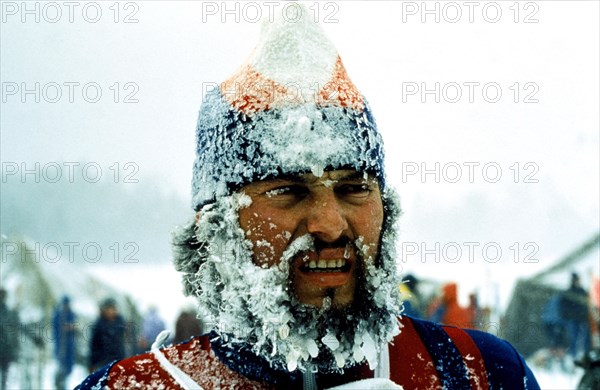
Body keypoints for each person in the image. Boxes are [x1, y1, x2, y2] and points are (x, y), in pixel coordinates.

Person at [77, 5, 539, 389]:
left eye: (354, 188)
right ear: (216, 228)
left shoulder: (479, 372)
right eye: (288, 191)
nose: (331, 223)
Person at [88, 298, 126, 373]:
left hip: (118, 360)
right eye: (109, 309)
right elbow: (94, 345)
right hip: (102, 361)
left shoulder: (120, 322)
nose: (111, 311)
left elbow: (122, 342)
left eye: (113, 308)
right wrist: (92, 364)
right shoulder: (99, 324)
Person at [560, 272, 592, 360]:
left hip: (582, 319)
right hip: (573, 320)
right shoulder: (569, 292)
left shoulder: (582, 292)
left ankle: (586, 357)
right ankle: (574, 358)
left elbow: (587, 305)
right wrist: (569, 316)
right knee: (574, 339)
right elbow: (563, 307)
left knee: (585, 339)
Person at [52, 295, 77, 389]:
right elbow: (56, 329)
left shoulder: (71, 314)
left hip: (69, 347)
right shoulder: (58, 314)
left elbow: (75, 326)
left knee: (67, 370)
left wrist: (71, 328)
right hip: (60, 347)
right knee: (61, 369)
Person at [0, 288, 20, 390]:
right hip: (6, 352)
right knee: (3, 378)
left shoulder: (9, 313)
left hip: (5, 352)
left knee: (4, 378)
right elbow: (20, 327)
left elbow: (19, 326)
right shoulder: (9, 313)